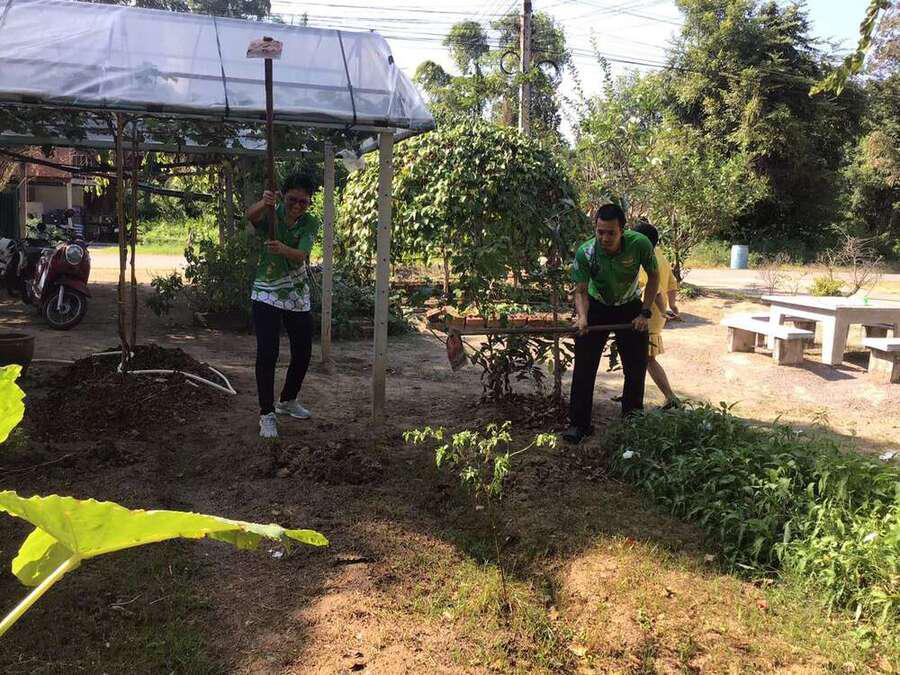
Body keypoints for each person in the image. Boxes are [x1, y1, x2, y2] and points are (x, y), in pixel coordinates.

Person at [562, 203, 660, 444]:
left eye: (611, 233)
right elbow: (580, 291)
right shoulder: (586, 252)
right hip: (597, 306)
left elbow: (654, 276)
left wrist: (644, 313)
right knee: (584, 366)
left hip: (630, 307)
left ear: (622, 230)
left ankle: (631, 422)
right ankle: (579, 424)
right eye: (600, 232)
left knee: (635, 367)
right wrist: (582, 317)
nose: (605, 238)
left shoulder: (640, 244)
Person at [246, 173, 320, 439]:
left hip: (296, 293)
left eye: (303, 202)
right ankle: (267, 414)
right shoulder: (272, 213)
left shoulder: (311, 222)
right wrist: (264, 202)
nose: (297, 206)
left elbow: (301, 255)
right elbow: (250, 216)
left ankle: (288, 400)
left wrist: (282, 249)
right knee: (268, 353)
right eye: (292, 200)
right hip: (266, 293)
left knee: (303, 352)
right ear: (283, 197)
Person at [632, 219, 681, 409]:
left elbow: (657, 290)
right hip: (656, 314)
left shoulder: (644, 260)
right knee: (636, 357)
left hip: (648, 315)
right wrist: (673, 305)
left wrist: (663, 310)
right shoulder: (659, 254)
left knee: (648, 359)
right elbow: (672, 282)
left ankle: (671, 397)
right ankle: (630, 392)